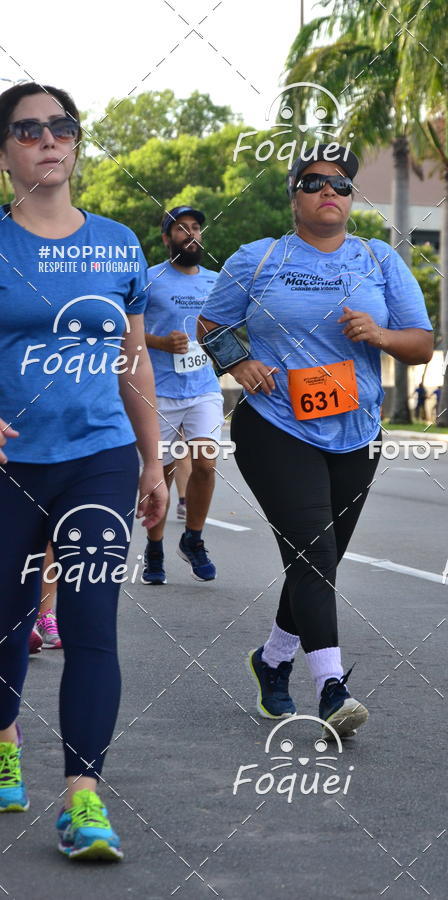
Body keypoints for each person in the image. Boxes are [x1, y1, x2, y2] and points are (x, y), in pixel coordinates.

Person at [199, 145, 433, 737]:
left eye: (341, 185)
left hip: (356, 432)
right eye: (313, 183)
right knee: (316, 556)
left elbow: (421, 343)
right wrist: (240, 363)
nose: (329, 191)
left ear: (352, 198)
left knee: (317, 563)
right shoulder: (259, 259)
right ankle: (332, 689)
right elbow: (209, 324)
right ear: (293, 194)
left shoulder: (379, 260)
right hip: (275, 425)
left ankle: (272, 660)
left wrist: (380, 333)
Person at [0, 82, 167, 860]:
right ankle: (5, 738)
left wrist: (153, 460)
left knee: (92, 629)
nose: (48, 138)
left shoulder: (117, 243)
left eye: (61, 126)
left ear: (75, 142)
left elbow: (134, 358)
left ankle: (83, 800)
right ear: (5, 151)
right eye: (28, 129)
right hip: (9, 465)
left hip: (98, 459)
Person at [142, 206, 223, 584]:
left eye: (195, 228)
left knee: (206, 463)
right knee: (162, 476)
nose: (191, 234)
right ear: (166, 239)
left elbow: (227, 329)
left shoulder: (216, 281)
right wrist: (159, 341)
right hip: (159, 393)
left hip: (203, 388)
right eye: (181, 229)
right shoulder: (149, 279)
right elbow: (124, 331)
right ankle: (155, 548)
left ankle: (193, 538)